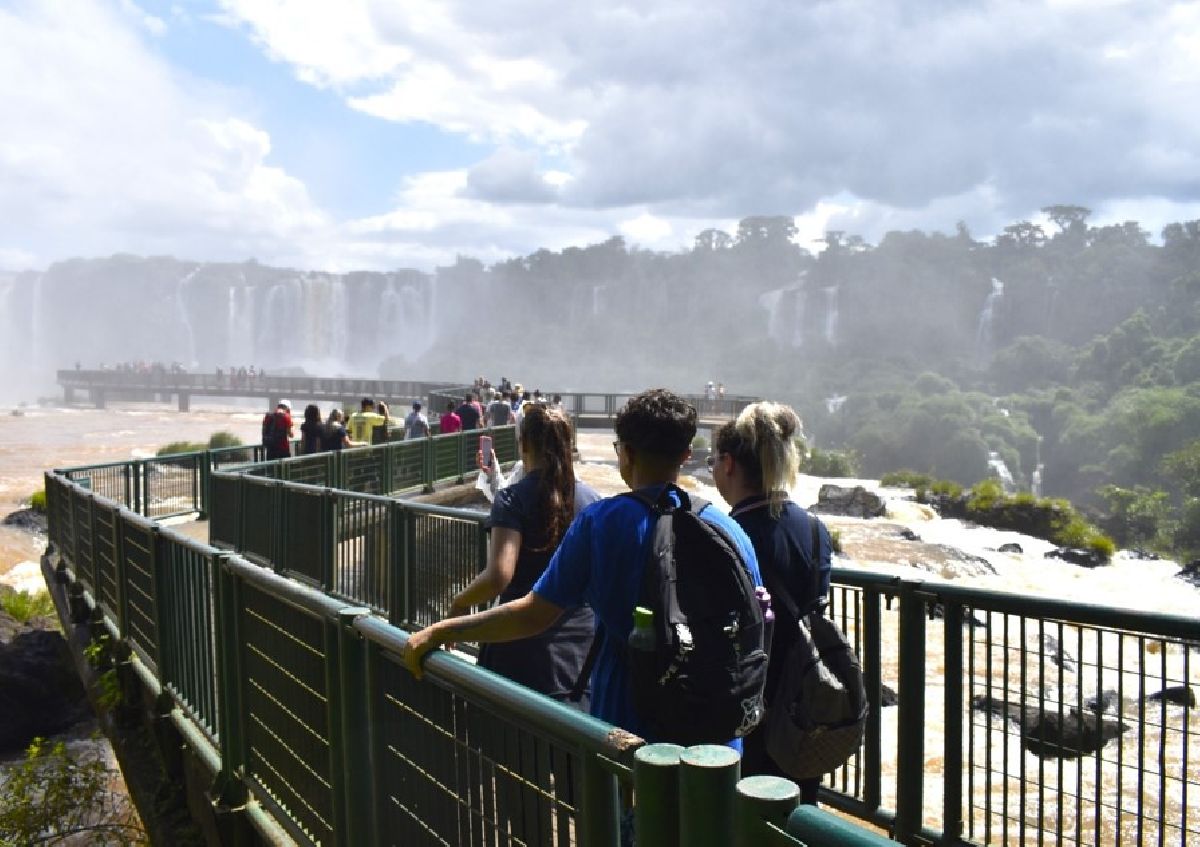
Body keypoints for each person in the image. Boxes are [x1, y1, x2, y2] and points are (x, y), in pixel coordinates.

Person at [402, 388, 763, 750]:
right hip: (718, 741)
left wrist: (440, 631)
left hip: (630, 735)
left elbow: (531, 616)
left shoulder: (603, 523)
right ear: (685, 455)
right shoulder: (730, 531)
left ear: (627, 453)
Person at [709, 401, 832, 805]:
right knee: (798, 814)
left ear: (728, 464)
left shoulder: (722, 533)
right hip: (803, 708)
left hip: (744, 705)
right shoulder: (815, 530)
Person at [448, 404, 600, 700]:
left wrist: (459, 605)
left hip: (518, 648)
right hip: (580, 653)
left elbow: (498, 577)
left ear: (525, 444)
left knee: (508, 741)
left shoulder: (513, 499)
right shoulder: (593, 501)